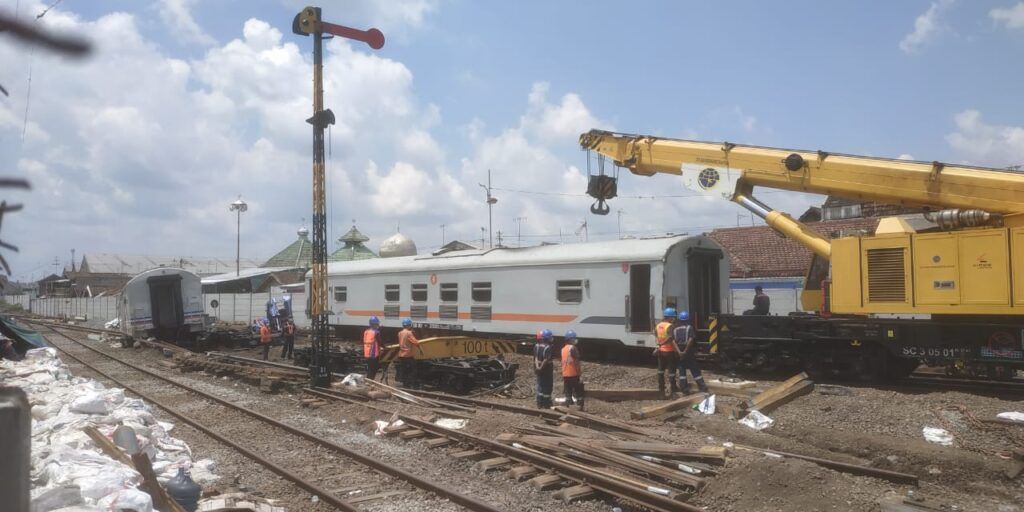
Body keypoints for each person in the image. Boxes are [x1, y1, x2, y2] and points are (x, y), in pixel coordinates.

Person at [674, 311, 708, 394]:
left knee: (682, 371)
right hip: (688, 351)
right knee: (695, 370)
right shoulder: (689, 328)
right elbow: (691, 340)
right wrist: (685, 351)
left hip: (679, 350)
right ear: (687, 319)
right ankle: (702, 387)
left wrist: (679, 352)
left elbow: (673, 342)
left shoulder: (675, 329)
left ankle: (684, 389)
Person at [653, 307, 681, 394]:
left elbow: (656, 336)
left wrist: (659, 345)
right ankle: (673, 387)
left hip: (661, 351)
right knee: (672, 371)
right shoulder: (669, 326)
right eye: (673, 317)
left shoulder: (658, 325)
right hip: (669, 351)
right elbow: (670, 338)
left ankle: (661, 388)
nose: (673, 319)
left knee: (660, 370)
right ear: (669, 317)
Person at [561, 330, 584, 409]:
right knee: (578, 391)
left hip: (565, 374)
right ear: (570, 339)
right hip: (573, 373)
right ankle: (580, 406)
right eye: (574, 338)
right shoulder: (573, 348)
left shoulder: (563, 349)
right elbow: (576, 361)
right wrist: (579, 373)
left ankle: (568, 406)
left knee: (568, 391)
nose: (575, 340)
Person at [397, 318, 421, 388]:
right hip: (408, 355)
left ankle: (405, 385)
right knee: (412, 370)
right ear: (409, 325)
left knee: (404, 370)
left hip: (401, 354)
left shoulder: (400, 333)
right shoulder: (409, 333)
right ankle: (411, 384)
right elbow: (416, 342)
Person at [534, 329, 555, 409]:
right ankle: (546, 404)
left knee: (540, 385)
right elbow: (546, 360)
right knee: (547, 386)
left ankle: (539, 403)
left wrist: (537, 368)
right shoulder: (548, 347)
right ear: (547, 338)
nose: (551, 339)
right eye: (550, 337)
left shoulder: (536, 346)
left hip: (538, 368)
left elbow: (536, 358)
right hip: (547, 369)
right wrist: (541, 368)